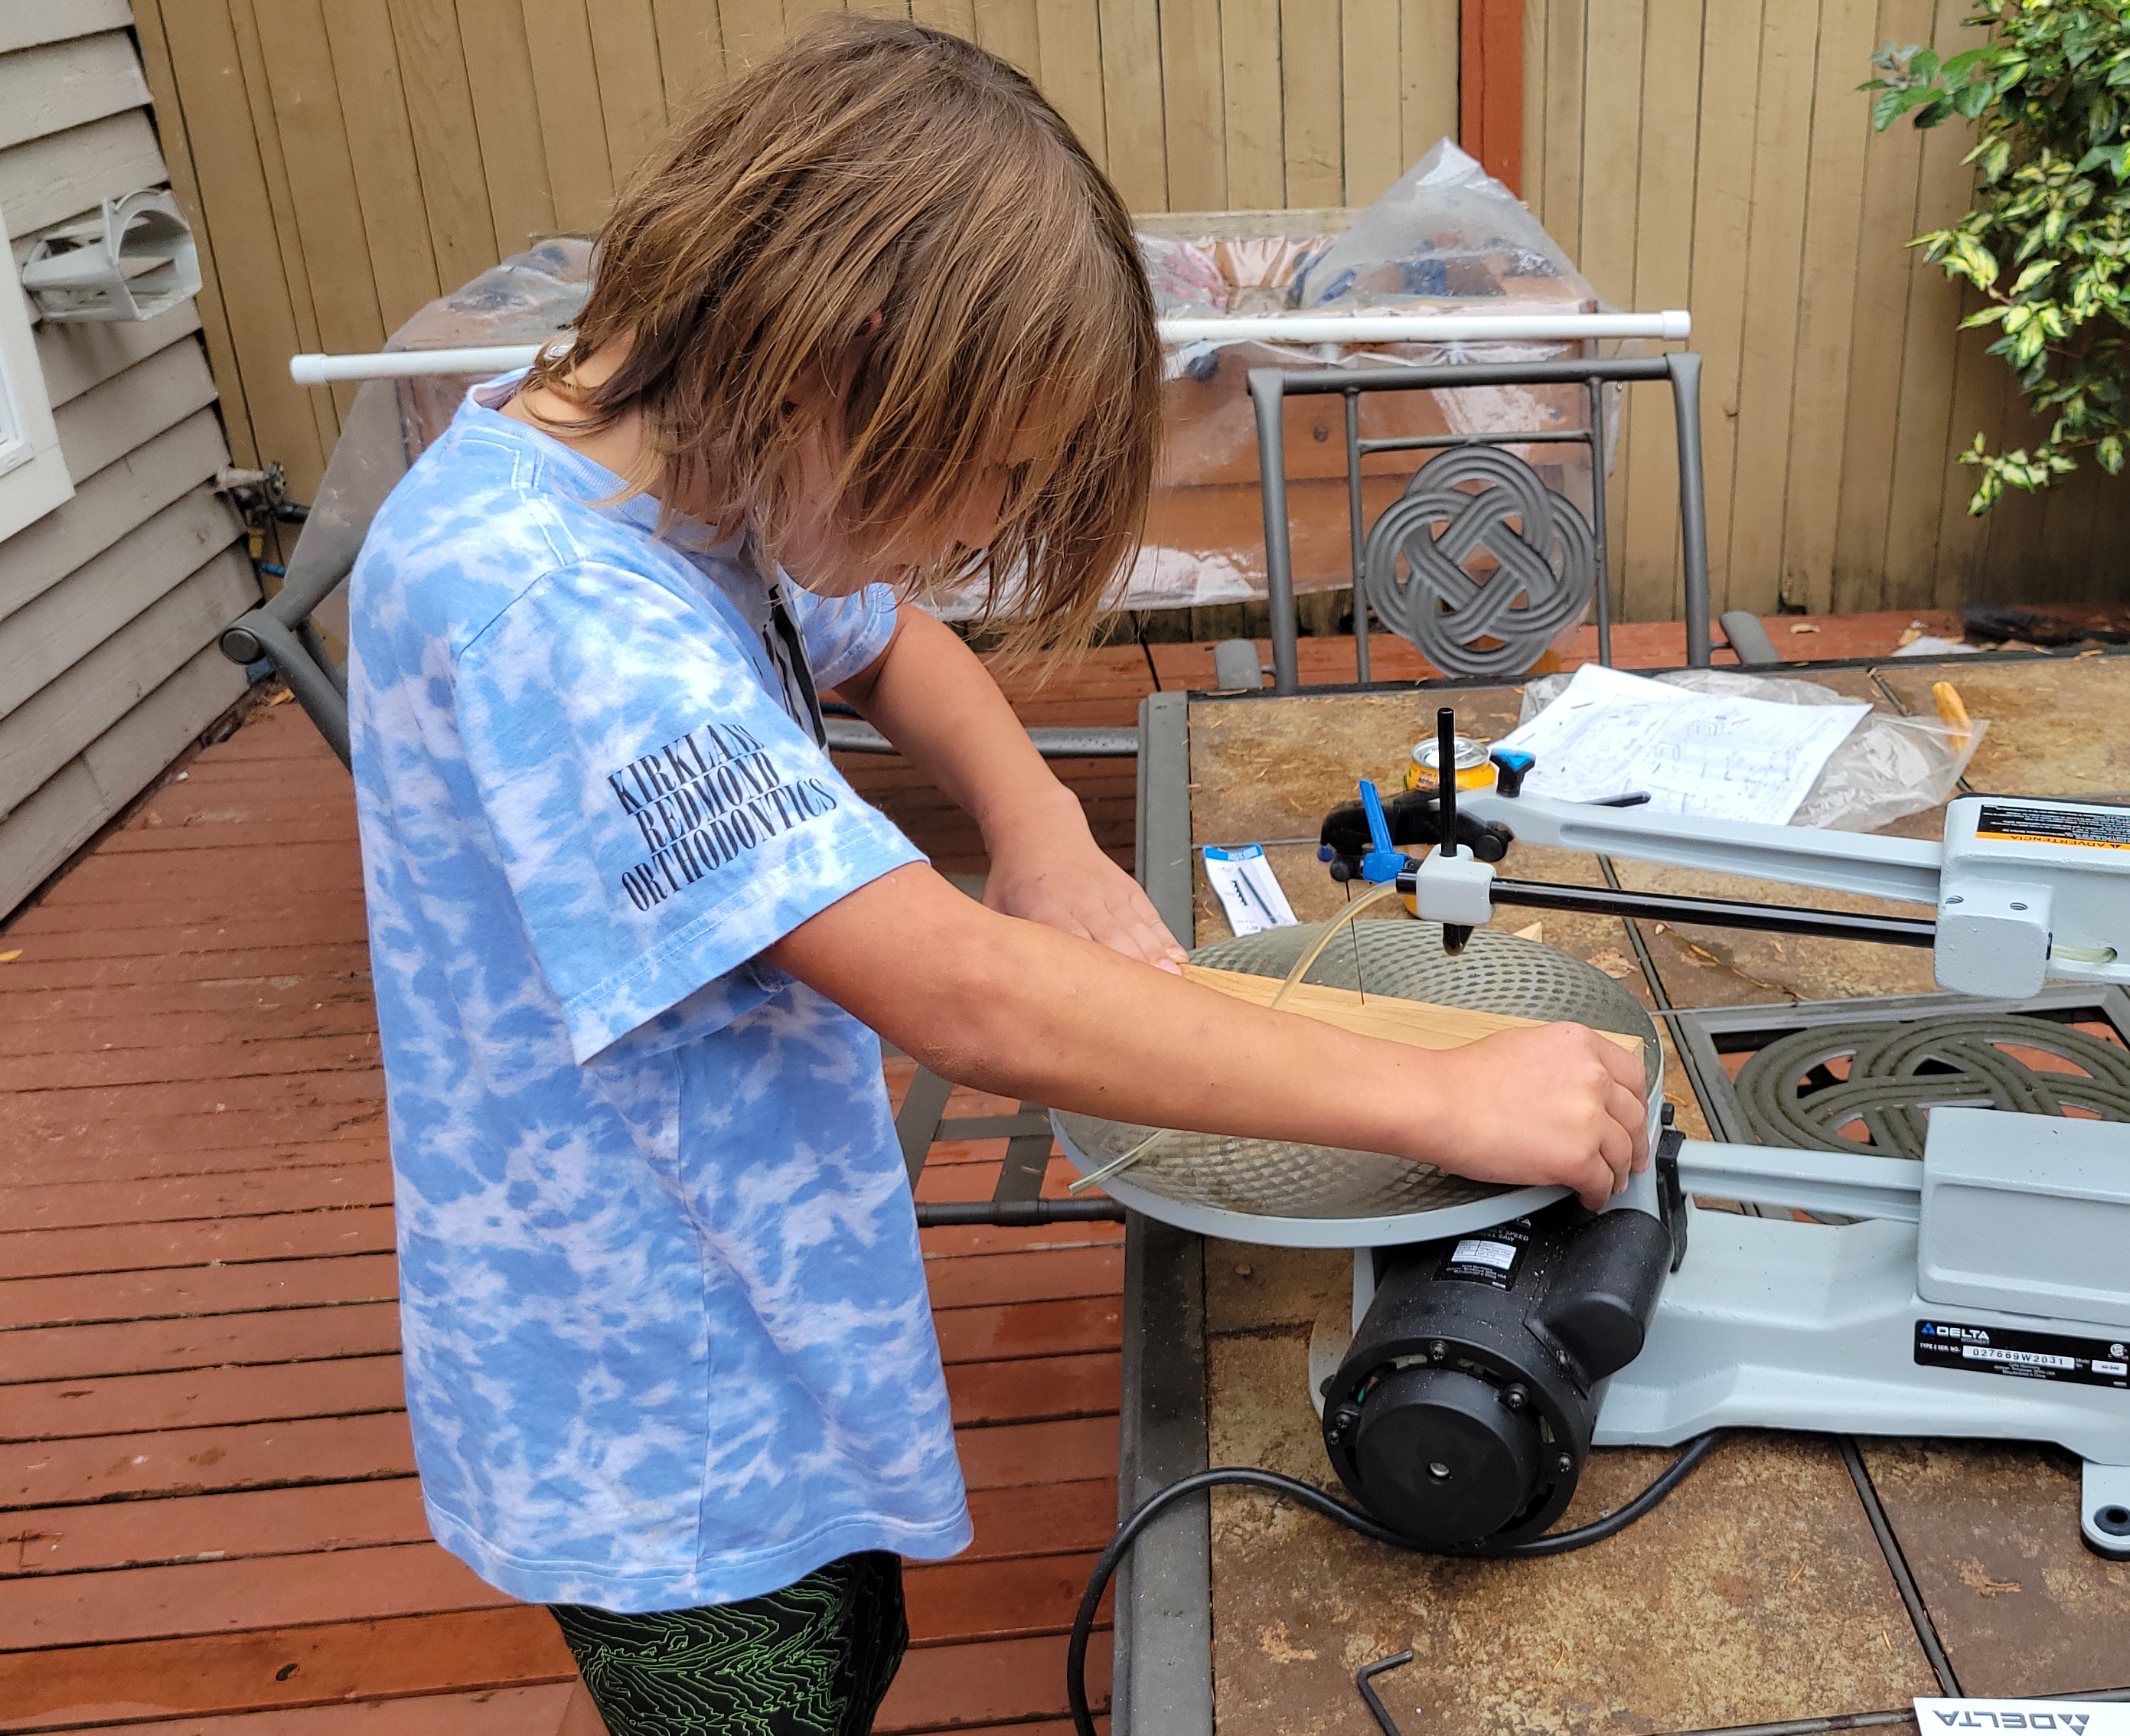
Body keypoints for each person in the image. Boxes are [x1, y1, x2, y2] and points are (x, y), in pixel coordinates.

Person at [344, 19, 1649, 1734]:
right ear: (849, 353)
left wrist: (1040, 836)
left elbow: (886, 643)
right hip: (654, 1415)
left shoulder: (688, 468)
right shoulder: (550, 612)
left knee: (846, 1649)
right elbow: (963, 1000)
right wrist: (1446, 1098)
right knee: (759, 1697)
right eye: (1000, 470)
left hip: (749, 1302)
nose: (980, 528)